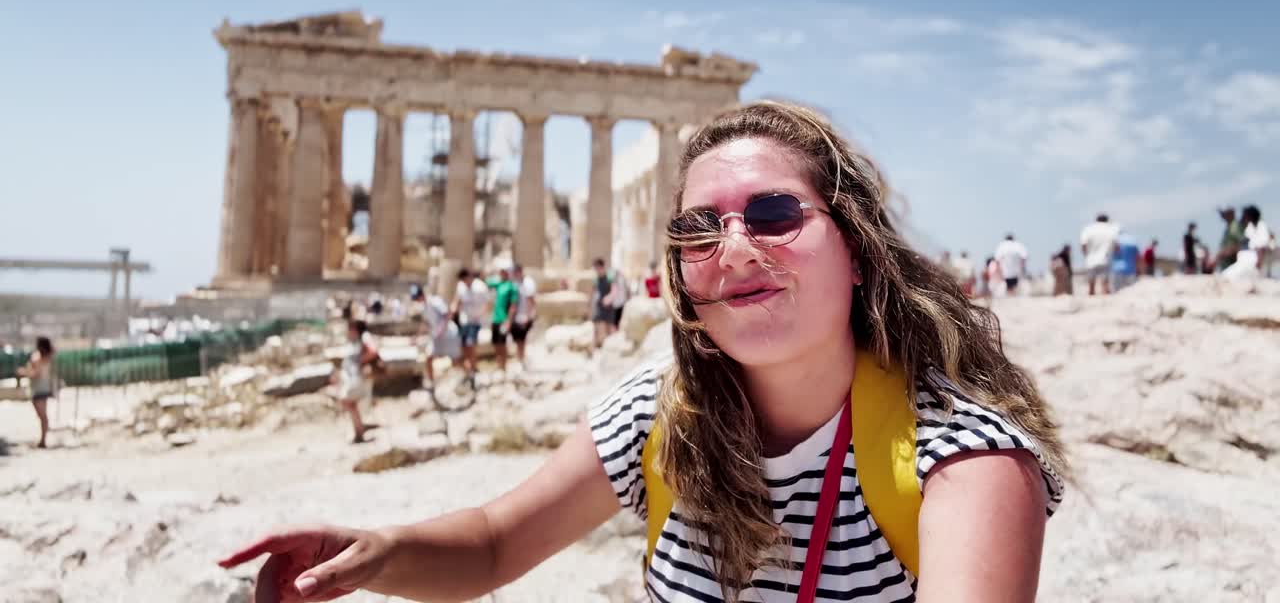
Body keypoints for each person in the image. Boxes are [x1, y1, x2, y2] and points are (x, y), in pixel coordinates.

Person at [221, 101, 1066, 603]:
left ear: (857, 249)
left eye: (774, 215)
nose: (735, 248)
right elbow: (491, 544)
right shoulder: (659, 418)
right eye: (699, 229)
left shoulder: (965, 462)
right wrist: (377, 553)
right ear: (682, 280)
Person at [332, 320, 380, 444]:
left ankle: (360, 430)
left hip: (358, 378)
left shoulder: (364, 338)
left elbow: (373, 351)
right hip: (352, 378)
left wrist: (360, 362)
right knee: (350, 403)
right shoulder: (353, 341)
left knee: (346, 400)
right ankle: (359, 430)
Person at [16, 336, 55, 448]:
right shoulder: (48, 356)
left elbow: (35, 374)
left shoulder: (37, 357)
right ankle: (43, 439)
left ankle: (43, 440)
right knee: (43, 416)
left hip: (37, 389)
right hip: (44, 388)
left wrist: (23, 372)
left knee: (42, 416)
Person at [449, 269, 488, 380]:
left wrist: (480, 315)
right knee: (463, 345)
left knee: (471, 344)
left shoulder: (480, 287)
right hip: (464, 320)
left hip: (475, 321)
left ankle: (474, 367)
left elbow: (488, 304)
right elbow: (457, 300)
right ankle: (468, 368)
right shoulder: (461, 286)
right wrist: (452, 311)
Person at [1223, 205, 1272, 280]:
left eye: (1245, 215)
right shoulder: (1249, 228)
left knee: (1230, 276)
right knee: (1226, 274)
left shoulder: (1261, 226)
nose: (1243, 217)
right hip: (1244, 261)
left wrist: (1258, 263)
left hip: (1251, 262)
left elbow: (1261, 247)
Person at [486, 268, 519, 374]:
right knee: (496, 343)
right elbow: (486, 281)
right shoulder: (499, 284)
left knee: (502, 343)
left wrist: (508, 320)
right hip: (495, 319)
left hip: (504, 320)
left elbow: (513, 305)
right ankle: (499, 365)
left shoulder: (512, 287)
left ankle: (504, 367)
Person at [1079, 213, 1119, 295]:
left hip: (1090, 260)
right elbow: (1116, 246)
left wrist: (1086, 255)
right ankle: (1105, 304)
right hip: (1106, 259)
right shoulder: (1111, 230)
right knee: (1105, 285)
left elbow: (1083, 245)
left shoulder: (1088, 229)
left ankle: (1091, 303)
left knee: (1091, 286)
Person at [510, 264, 538, 366]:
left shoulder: (528, 283)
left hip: (524, 315)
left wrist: (529, 315)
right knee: (517, 339)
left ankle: (522, 359)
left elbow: (530, 300)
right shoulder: (515, 283)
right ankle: (520, 358)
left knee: (522, 338)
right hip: (516, 316)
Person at [589, 258, 617, 347]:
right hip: (599, 306)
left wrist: (609, 297)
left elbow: (614, 290)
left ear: (602, 267)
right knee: (596, 328)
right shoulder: (596, 279)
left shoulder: (609, 277)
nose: (596, 270)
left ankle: (611, 347)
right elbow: (593, 292)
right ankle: (593, 349)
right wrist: (590, 305)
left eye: (597, 268)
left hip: (608, 307)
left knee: (610, 328)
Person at [1216, 207, 1245, 272]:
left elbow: (1239, 243)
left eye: (1225, 214)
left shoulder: (1234, 226)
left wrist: (1224, 253)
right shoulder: (1230, 225)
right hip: (1226, 263)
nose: (1223, 216)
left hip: (1231, 263)